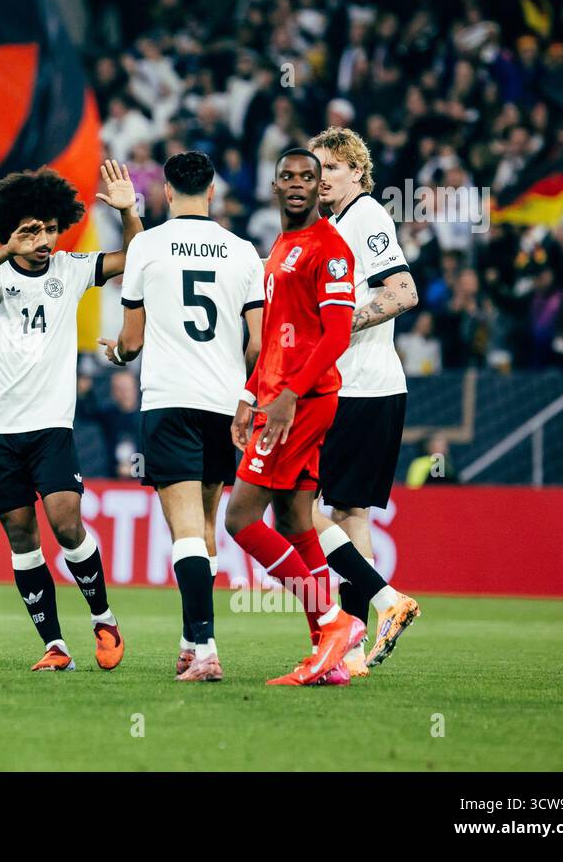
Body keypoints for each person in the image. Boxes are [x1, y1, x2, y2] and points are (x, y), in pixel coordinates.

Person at [0, 162, 140, 673]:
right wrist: (6, 250)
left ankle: (104, 618)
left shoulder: (70, 269)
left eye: (51, 229)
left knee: (65, 521)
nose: (44, 239)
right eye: (32, 230)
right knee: (21, 535)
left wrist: (127, 210)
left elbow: (134, 260)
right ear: (11, 229)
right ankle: (54, 646)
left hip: (51, 426)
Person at [224, 150, 400, 686]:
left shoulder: (331, 247)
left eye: (309, 177)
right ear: (275, 186)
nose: (299, 184)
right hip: (276, 398)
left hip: (302, 403)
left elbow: (337, 332)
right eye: (289, 176)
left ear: (321, 185)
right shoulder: (279, 248)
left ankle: (333, 622)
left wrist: (288, 396)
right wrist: (250, 394)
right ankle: (326, 655)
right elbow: (276, 337)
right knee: (296, 521)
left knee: (240, 519)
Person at [99, 151, 264, 682]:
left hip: (169, 401)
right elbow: (259, 346)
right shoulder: (243, 252)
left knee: (185, 527)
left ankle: (208, 648)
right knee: (203, 527)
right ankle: (192, 643)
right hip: (224, 405)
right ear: (212, 192)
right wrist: (244, 393)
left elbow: (132, 339)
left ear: (167, 192)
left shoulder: (145, 246)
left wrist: (118, 356)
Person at [308, 127, 422, 673]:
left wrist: (336, 325)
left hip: (360, 387)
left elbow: (402, 292)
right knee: (349, 513)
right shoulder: (331, 225)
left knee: (299, 508)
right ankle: (351, 648)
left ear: (357, 171)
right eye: (316, 167)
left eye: (332, 167)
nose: (321, 176)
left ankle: (384, 600)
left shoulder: (367, 218)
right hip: (364, 386)